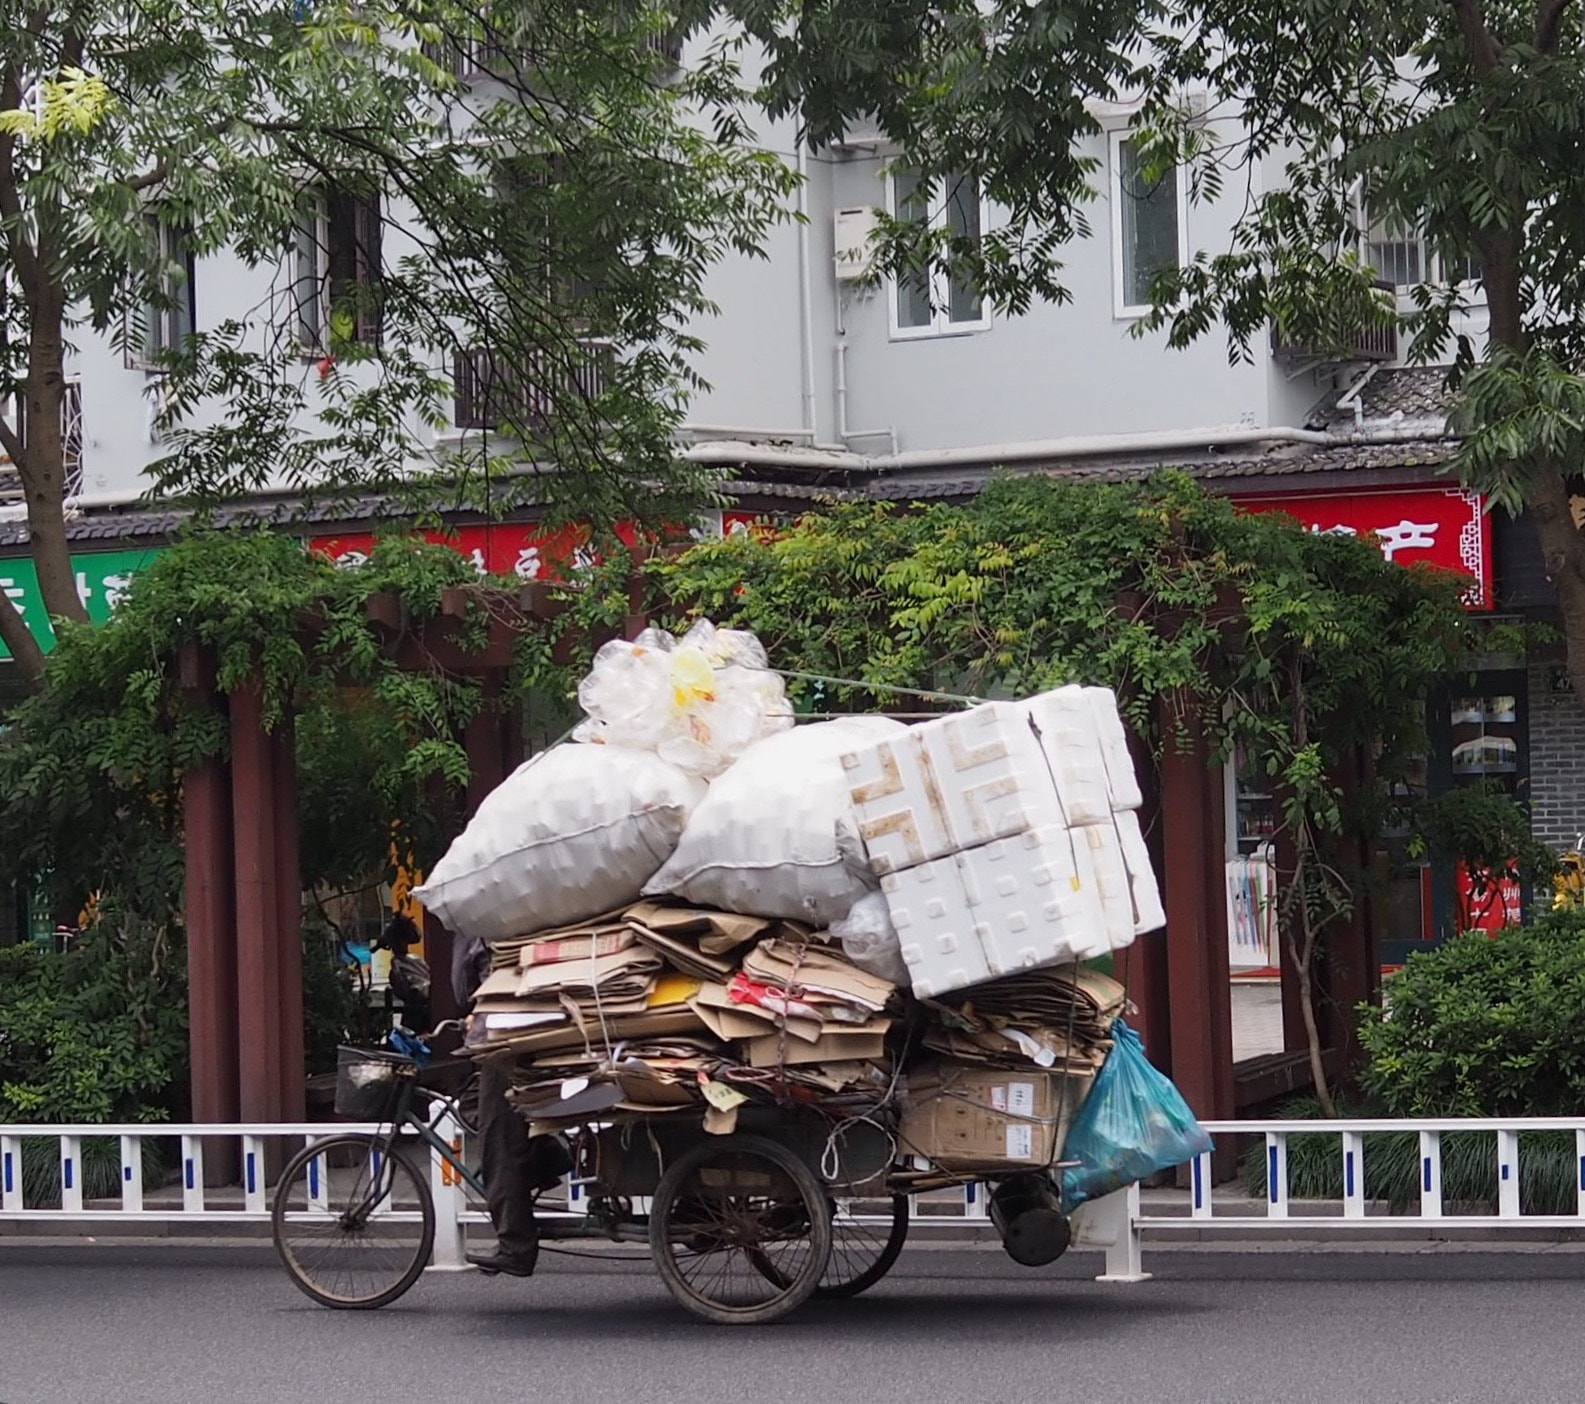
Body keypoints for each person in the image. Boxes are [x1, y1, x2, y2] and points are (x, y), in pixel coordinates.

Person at [452, 929, 571, 1277]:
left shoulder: (474, 918)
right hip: (547, 1021)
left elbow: (462, 987)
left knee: (498, 1135)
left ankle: (515, 1245)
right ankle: (544, 1158)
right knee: (480, 1105)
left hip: (504, 1028)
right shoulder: (529, 909)